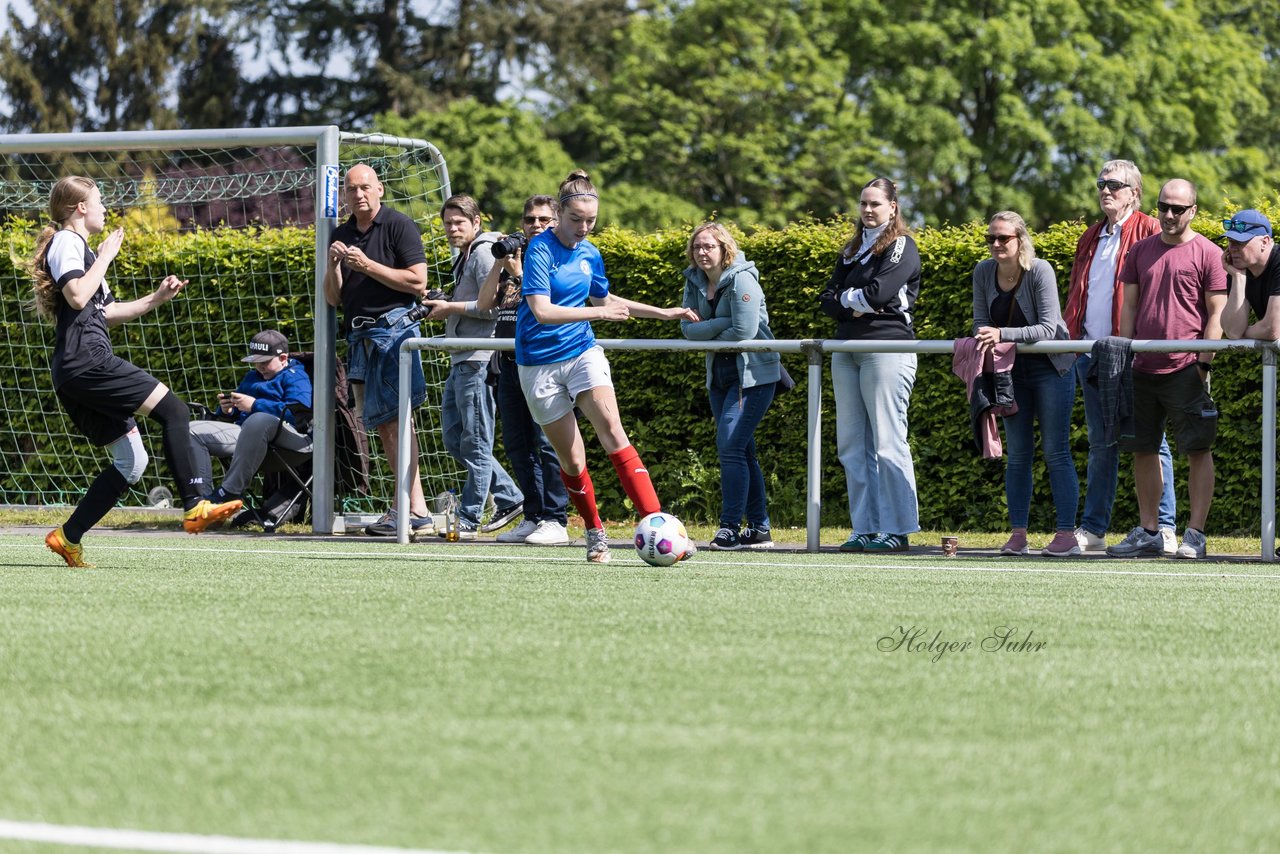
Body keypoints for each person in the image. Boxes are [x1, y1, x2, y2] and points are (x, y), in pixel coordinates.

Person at [28, 176, 242, 567]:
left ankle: (67, 537)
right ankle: (195, 505)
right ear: (79, 208)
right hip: (87, 361)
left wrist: (156, 299)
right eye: (99, 200)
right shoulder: (67, 242)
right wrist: (107, 254)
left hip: (76, 368)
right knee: (175, 411)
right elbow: (77, 296)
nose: (104, 208)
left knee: (132, 462)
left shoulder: (82, 251)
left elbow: (103, 312)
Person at [516, 169, 699, 563]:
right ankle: (595, 531)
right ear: (560, 214)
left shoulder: (590, 253)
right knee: (573, 459)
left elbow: (606, 300)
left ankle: (659, 524)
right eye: (576, 219)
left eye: (591, 221)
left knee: (614, 431)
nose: (584, 228)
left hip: (582, 352)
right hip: (538, 363)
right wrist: (599, 316)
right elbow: (541, 311)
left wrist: (663, 313)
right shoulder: (539, 250)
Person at [1107, 179, 1227, 559]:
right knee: (1143, 450)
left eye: (1178, 208)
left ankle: (1195, 534)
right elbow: (1128, 307)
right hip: (1142, 368)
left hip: (1186, 370)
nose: (1170, 215)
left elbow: (1216, 314)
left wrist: (1203, 366)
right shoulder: (1140, 250)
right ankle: (1149, 531)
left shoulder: (1208, 253)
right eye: (1164, 207)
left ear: (1193, 210)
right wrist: (1125, 356)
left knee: (1198, 449)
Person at [1063, 160, 1178, 554]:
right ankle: (1094, 530)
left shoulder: (1151, 229)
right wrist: (1071, 341)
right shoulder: (1091, 235)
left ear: (1134, 192)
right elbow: (1079, 292)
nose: (1105, 189)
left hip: (1133, 353)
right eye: (1101, 183)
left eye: (1114, 184)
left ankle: (1163, 527)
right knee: (1100, 444)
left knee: (1153, 442)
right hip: (1090, 352)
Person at [323, 164, 433, 537]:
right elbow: (332, 297)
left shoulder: (399, 225)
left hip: (394, 332)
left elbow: (419, 282)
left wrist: (367, 265)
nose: (359, 195)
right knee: (383, 426)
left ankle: (412, 508)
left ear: (380, 189)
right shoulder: (341, 233)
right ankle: (410, 506)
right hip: (359, 339)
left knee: (396, 421)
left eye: (365, 187)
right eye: (351, 190)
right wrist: (335, 265)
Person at [819, 177, 921, 553]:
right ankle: (864, 528)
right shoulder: (851, 250)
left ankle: (896, 529)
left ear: (893, 207)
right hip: (846, 349)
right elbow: (826, 300)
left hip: (887, 347)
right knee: (851, 446)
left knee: (888, 442)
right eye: (863, 203)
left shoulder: (901, 245)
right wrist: (854, 300)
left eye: (875, 204)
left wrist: (849, 299)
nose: (867, 210)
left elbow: (880, 293)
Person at [972, 212, 1080, 557]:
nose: (996, 245)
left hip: (1052, 369)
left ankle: (1066, 535)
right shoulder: (983, 271)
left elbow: (1049, 328)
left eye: (1003, 238)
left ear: (1020, 239)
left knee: (1056, 451)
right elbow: (980, 320)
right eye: (991, 238)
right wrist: (983, 336)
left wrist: (1002, 334)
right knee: (1017, 455)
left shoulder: (1041, 270)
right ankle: (1018, 534)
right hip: (1010, 372)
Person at [418, 194, 524, 539]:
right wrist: (447, 301)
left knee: (476, 443)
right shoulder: (466, 254)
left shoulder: (482, 252)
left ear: (476, 223)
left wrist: (450, 309)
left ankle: (469, 517)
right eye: (448, 223)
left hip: (478, 359)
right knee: (453, 439)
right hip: (460, 357)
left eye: (459, 222)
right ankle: (509, 496)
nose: (452, 228)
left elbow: (490, 307)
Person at [475, 195, 571, 545]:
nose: (536, 226)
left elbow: (556, 306)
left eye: (544, 219)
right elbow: (485, 304)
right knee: (517, 444)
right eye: (530, 220)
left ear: (557, 222)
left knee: (547, 444)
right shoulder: (515, 260)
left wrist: (521, 273)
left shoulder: (557, 257)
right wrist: (501, 263)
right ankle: (533, 515)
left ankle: (556, 518)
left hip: (544, 362)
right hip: (508, 364)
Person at [679, 222, 780, 550]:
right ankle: (760, 528)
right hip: (719, 376)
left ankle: (729, 528)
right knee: (743, 450)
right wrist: (722, 323)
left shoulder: (743, 279)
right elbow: (686, 329)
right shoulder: (693, 280)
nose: (702, 252)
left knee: (731, 447)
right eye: (697, 247)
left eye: (709, 246)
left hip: (752, 376)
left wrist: (709, 327)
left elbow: (745, 332)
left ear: (725, 250)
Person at [188, 329, 314, 508]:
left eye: (265, 362)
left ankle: (229, 492)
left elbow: (298, 415)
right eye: (256, 362)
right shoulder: (251, 377)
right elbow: (240, 411)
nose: (260, 367)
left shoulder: (296, 376)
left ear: (283, 358)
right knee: (191, 429)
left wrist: (255, 405)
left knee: (259, 419)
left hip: (291, 440)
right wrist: (228, 411)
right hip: (248, 435)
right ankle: (204, 503)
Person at [1219, 209, 1280, 341]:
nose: (1232, 248)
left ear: (1264, 242)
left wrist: (1243, 334)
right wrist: (1238, 278)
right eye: (1230, 241)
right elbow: (1232, 331)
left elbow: (1273, 329)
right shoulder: (1239, 269)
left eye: (1240, 242)